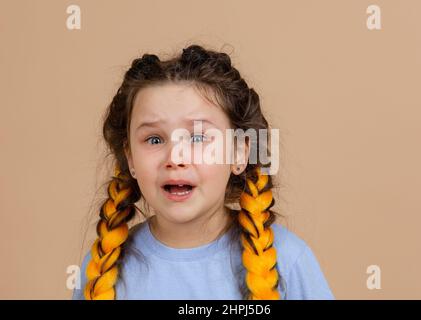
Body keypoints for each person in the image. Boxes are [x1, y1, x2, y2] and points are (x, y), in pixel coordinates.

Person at [72, 44, 334, 300]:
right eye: (154, 139)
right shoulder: (100, 270)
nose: (175, 158)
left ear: (239, 152)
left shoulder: (287, 260)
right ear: (130, 157)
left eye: (197, 138)